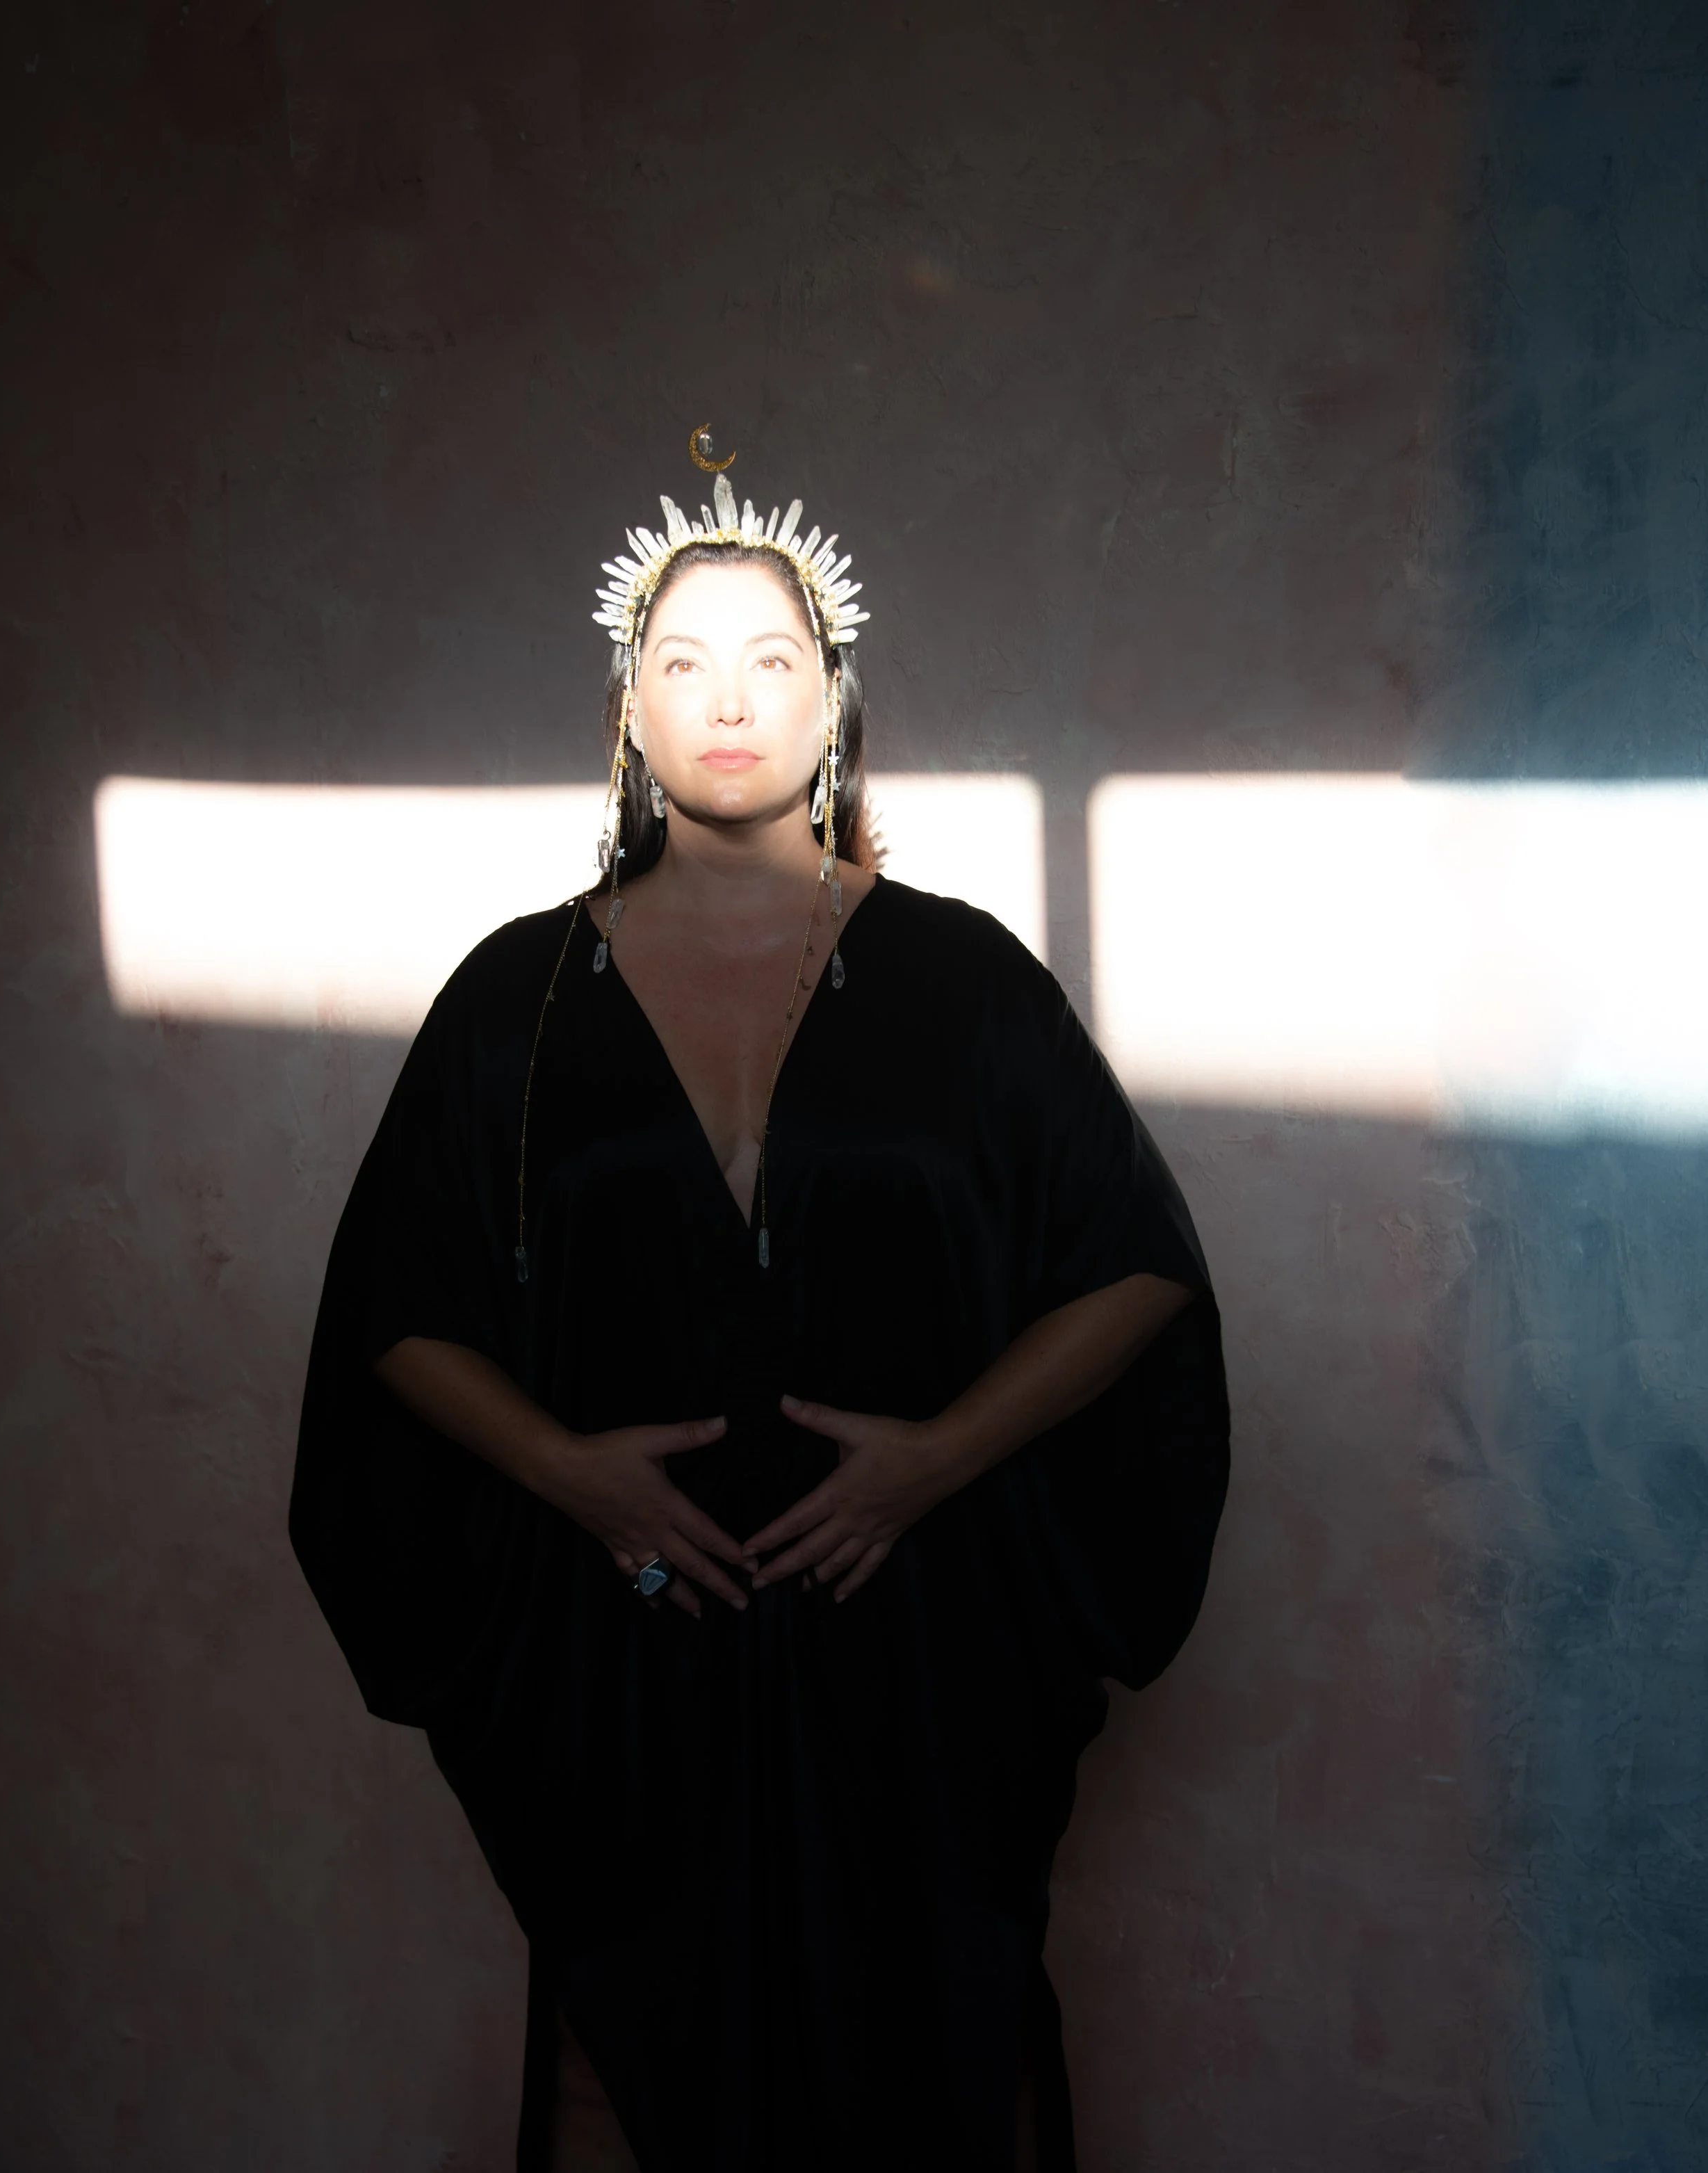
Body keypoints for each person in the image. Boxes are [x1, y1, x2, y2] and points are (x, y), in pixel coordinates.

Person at [290, 456, 1230, 2173]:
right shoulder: (520, 990)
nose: (730, 697)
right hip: (623, 1624)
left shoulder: (962, 978)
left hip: (915, 1624)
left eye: (773, 658)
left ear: (833, 700)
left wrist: (933, 1459)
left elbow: (1134, 1257)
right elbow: (394, 1301)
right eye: (684, 660)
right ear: (629, 713)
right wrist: (572, 1475)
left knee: (955, 2045)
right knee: (615, 2050)